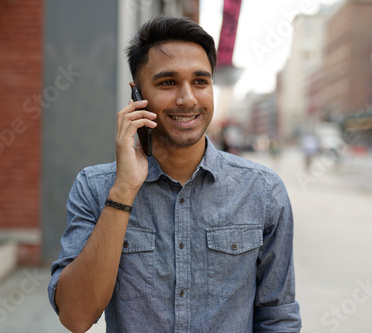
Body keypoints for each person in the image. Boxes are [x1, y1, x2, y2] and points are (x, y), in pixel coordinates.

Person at [48, 16, 301, 332]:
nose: (188, 99)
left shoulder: (262, 190)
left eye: (200, 81)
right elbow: (76, 316)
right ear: (137, 95)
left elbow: (278, 316)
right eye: (168, 82)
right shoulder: (97, 188)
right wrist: (124, 192)